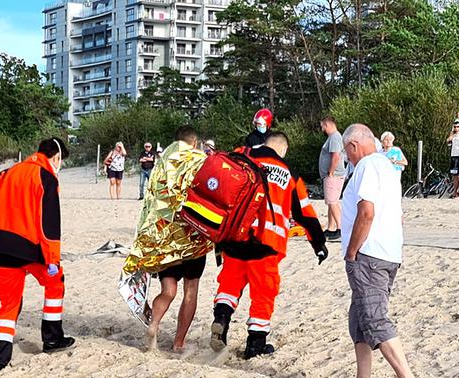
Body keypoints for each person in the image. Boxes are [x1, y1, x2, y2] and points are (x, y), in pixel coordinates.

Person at [210, 132, 328, 359]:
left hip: (235, 236)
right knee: (264, 292)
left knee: (229, 284)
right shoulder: (289, 173)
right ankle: (255, 344)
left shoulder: (240, 157)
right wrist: (318, 242)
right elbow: (304, 213)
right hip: (267, 242)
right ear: (282, 150)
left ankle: (221, 319)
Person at [340, 124, 423, 378]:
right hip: (387, 253)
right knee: (360, 318)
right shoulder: (388, 166)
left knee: (375, 318)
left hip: (370, 255)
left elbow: (367, 212)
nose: (346, 158)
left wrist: (352, 250)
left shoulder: (365, 166)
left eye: (346, 152)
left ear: (354, 146)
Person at [0, 137, 74, 372]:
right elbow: (49, 224)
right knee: (55, 281)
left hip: (0, 245)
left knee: (9, 302)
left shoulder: (9, 171)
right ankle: (52, 339)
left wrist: (2, 221)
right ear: (56, 157)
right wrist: (52, 258)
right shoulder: (46, 176)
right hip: (29, 248)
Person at [144, 126, 208, 352]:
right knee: (190, 290)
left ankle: (154, 324)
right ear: (195, 142)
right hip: (193, 236)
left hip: (166, 235)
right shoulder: (201, 161)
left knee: (168, 290)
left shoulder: (161, 164)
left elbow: (151, 201)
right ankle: (178, 342)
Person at [318, 116, 346, 240]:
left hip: (334, 175)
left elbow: (336, 156)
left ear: (327, 125)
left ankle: (340, 227)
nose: (322, 129)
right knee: (330, 202)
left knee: (333, 202)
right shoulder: (332, 138)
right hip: (332, 175)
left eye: (322, 126)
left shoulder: (334, 137)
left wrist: (331, 172)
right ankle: (331, 227)